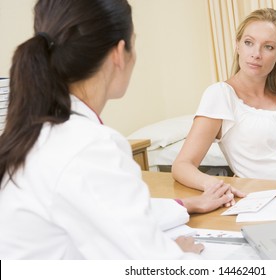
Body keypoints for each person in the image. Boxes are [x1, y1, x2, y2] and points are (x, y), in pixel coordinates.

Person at [0, 0, 234, 259]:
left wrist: (187, 204)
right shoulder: (88, 146)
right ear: (119, 53)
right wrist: (183, 254)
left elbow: (104, 208)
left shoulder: (36, 132)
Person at [172, 8, 276, 193]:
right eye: (248, 43)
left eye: (268, 46)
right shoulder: (221, 95)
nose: (256, 54)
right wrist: (217, 186)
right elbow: (182, 165)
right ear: (237, 45)